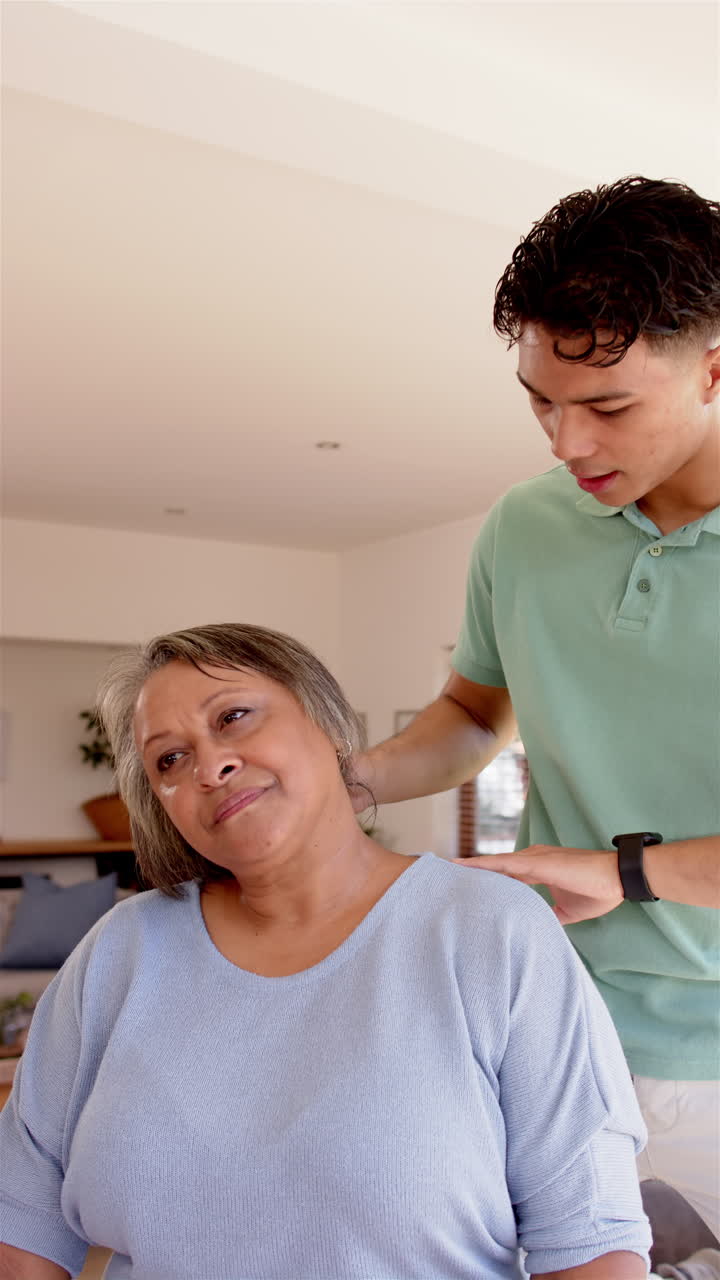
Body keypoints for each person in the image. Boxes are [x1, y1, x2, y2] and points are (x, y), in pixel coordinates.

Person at [0, 623, 651, 1280]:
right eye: (169, 759)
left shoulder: (492, 933)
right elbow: (21, 1222)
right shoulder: (121, 951)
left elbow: (591, 1243)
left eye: (234, 717)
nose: (210, 766)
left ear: (332, 727)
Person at [351, 177, 720, 1254]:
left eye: (606, 407)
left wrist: (626, 870)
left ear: (713, 368)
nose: (565, 441)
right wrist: (355, 777)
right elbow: (476, 710)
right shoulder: (526, 524)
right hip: (553, 1014)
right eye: (540, 400)